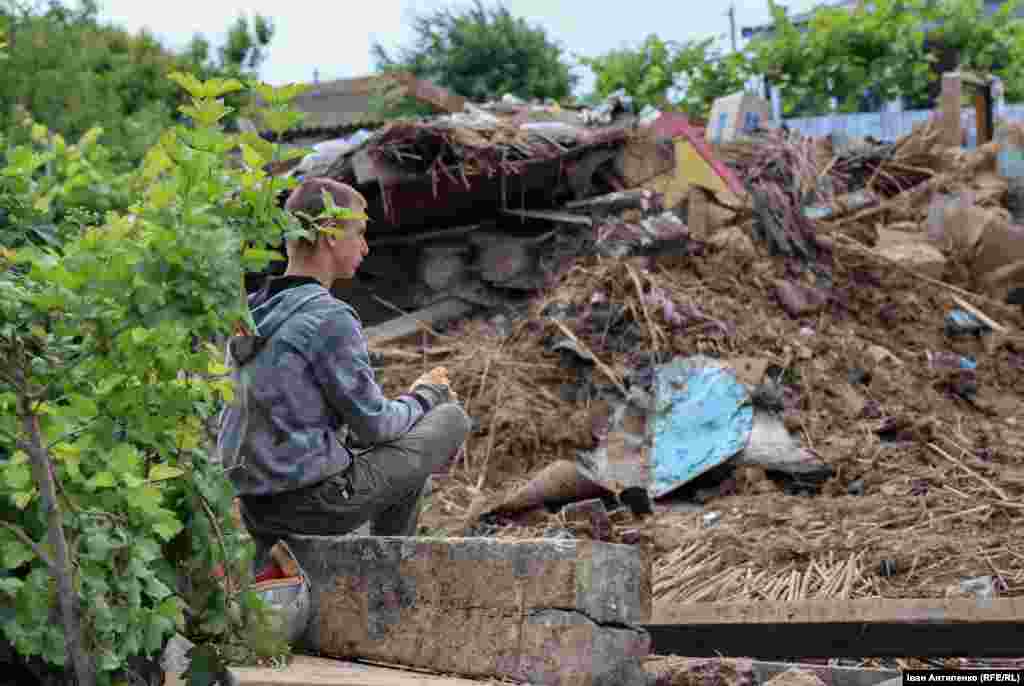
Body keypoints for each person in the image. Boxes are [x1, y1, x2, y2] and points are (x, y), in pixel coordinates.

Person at [217, 177, 471, 569]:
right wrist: (425, 393)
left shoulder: (253, 312)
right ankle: (387, 567)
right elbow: (377, 427)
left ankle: (374, 555)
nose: (366, 247)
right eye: (360, 233)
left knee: (399, 443)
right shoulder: (327, 317)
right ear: (330, 235)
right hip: (315, 505)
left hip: (256, 511)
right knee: (449, 418)